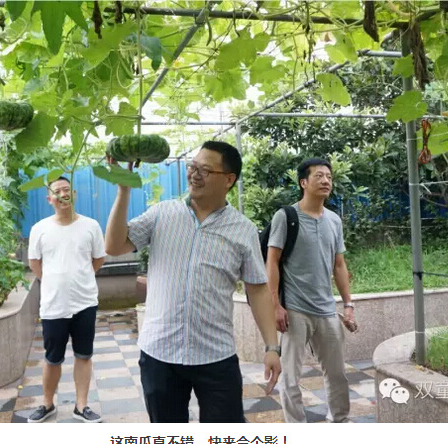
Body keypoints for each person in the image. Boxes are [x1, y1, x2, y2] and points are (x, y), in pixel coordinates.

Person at [105, 141, 281, 423]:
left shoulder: (243, 229)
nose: (194, 175)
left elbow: (257, 289)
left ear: (229, 180)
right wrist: (123, 191)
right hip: (160, 353)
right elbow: (114, 246)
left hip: (216, 355)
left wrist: (272, 347)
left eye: (205, 170)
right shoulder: (162, 213)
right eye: (192, 167)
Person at [266, 158, 356, 423]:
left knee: (337, 373)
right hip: (295, 310)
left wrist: (348, 305)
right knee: (291, 377)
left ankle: (340, 419)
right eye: (319, 176)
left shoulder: (334, 221)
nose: (326, 180)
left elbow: (339, 265)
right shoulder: (286, 217)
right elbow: (272, 261)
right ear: (303, 182)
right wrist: (275, 305)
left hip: (326, 309)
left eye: (329, 176)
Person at [27, 176, 106, 423]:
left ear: (74, 194)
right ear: (49, 199)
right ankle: (47, 403)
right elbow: (34, 263)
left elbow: (99, 258)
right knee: (52, 358)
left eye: (67, 189)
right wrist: (54, 281)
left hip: (85, 302)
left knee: (84, 355)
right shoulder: (39, 228)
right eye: (57, 191)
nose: (63, 194)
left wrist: (81, 278)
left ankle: (81, 406)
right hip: (54, 304)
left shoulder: (91, 226)